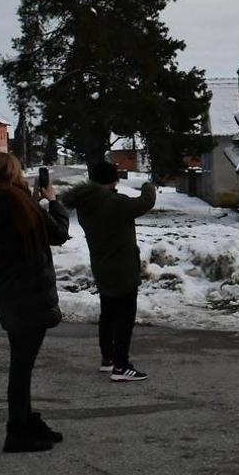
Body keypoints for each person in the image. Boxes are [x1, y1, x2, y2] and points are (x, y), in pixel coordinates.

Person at [0, 152, 71, 454]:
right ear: (12, 175)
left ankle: (25, 422)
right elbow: (59, 234)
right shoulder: (18, 203)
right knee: (21, 365)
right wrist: (52, 201)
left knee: (21, 362)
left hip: (8, 290)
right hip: (28, 291)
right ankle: (17, 430)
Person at [61, 160, 157, 383]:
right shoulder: (115, 203)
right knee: (124, 318)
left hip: (102, 266)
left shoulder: (86, 203)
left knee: (108, 315)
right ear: (111, 180)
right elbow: (145, 203)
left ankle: (108, 358)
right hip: (122, 268)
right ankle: (121, 365)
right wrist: (148, 186)